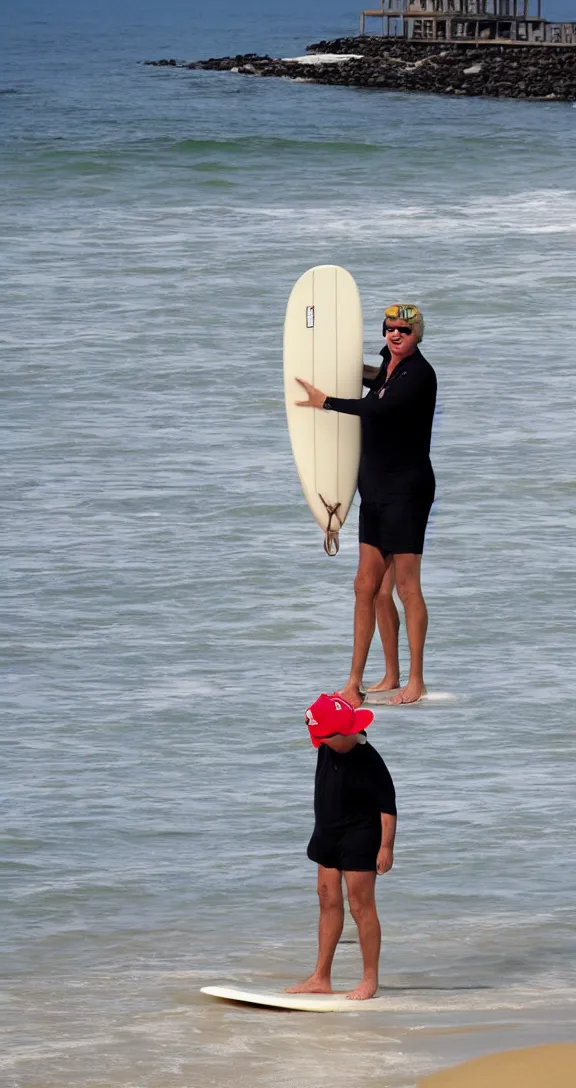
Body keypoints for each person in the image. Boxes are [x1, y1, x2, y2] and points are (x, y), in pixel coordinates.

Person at [296, 304, 437, 705]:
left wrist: (326, 401)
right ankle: (354, 682)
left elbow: (378, 407)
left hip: (406, 491)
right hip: (373, 490)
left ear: (417, 336)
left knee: (407, 588)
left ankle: (416, 679)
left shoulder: (420, 376)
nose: (395, 336)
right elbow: (374, 382)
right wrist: (334, 364)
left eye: (404, 331)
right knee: (365, 587)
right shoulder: (387, 368)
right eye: (390, 329)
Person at [287, 692, 397, 1001]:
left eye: (322, 736)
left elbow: (388, 806)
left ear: (341, 734)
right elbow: (323, 708)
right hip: (326, 832)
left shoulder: (369, 759)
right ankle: (321, 977)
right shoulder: (327, 744)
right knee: (327, 899)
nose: (317, 741)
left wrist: (386, 847)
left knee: (361, 906)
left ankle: (369, 979)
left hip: (360, 836)